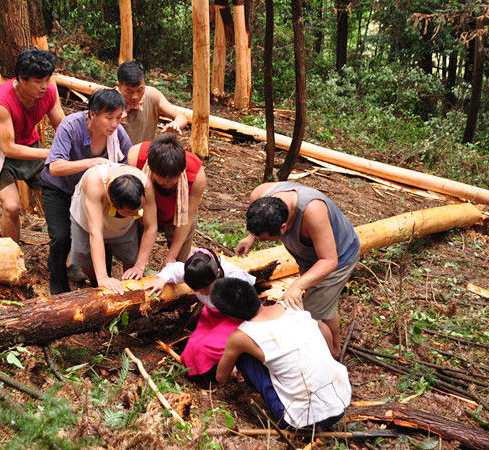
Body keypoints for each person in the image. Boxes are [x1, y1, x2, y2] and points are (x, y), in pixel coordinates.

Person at [235, 182, 360, 357]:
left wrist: (297, 285)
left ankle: (332, 355)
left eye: (266, 239)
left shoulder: (313, 212)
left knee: (312, 316)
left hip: (338, 257)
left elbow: (329, 260)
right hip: (310, 257)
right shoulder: (260, 196)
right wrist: (252, 237)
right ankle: (334, 346)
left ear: (284, 228)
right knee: (324, 303)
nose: (261, 242)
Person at [212, 277, 351, 431]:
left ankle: (277, 403)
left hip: (300, 419)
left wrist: (235, 365)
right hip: (341, 400)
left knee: (243, 357)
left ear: (231, 316)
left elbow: (220, 377)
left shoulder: (241, 336)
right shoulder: (290, 303)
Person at [40, 88, 133, 294]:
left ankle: (100, 285)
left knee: (101, 234)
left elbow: (128, 165)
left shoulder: (118, 134)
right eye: (109, 118)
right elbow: (54, 167)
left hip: (94, 194)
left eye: (119, 118)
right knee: (61, 237)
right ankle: (58, 289)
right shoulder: (70, 126)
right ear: (92, 113)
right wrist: (91, 163)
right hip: (60, 189)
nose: (114, 124)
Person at [0, 48, 64, 242]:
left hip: (31, 146)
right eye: (38, 81)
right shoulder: (1, 100)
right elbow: (8, 148)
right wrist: (50, 153)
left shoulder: (50, 91)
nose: (44, 86)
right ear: (22, 79)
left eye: (47, 79)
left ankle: (63, 253)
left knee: (53, 200)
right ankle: (13, 255)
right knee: (11, 206)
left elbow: (61, 125)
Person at [148, 248, 255, 384]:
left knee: (204, 348)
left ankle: (235, 368)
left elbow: (251, 309)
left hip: (235, 318)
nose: (203, 292)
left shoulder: (235, 278)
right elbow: (173, 269)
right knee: (191, 349)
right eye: (197, 289)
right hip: (212, 316)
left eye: (206, 288)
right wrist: (160, 280)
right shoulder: (193, 273)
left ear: (217, 274)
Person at [69, 163, 157, 294]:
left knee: (131, 257)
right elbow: (96, 233)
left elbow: (151, 227)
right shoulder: (95, 183)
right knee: (85, 260)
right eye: (131, 211)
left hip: (122, 227)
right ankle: (95, 285)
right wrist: (102, 277)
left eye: (140, 208)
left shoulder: (145, 184)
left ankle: (131, 290)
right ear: (114, 205)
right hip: (87, 223)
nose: (138, 214)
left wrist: (139, 267)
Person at [128, 134, 205, 267]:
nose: (167, 182)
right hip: (142, 211)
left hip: (180, 215)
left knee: (179, 262)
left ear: (182, 171)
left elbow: (186, 218)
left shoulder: (197, 176)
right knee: (132, 254)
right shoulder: (135, 158)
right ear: (151, 168)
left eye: (173, 178)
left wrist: (171, 257)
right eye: (162, 177)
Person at [116, 61, 188, 144]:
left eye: (140, 90)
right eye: (129, 91)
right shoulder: (109, 100)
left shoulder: (152, 95)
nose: (135, 96)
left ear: (144, 82)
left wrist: (176, 124)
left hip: (145, 154)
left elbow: (181, 117)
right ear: (119, 86)